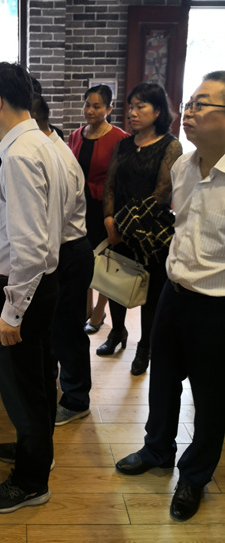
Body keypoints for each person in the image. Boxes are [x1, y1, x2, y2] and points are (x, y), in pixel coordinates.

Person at [115, 70, 225, 521]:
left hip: (216, 305)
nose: (190, 111)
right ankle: (157, 449)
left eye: (203, 104)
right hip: (173, 291)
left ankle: (194, 476)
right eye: (190, 102)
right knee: (162, 380)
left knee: (212, 397)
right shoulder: (183, 167)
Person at [0, 62, 69, 513]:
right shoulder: (43, 143)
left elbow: (29, 247)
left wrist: (11, 312)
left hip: (21, 290)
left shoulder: (18, 155)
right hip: (40, 285)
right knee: (37, 379)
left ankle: (31, 481)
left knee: (23, 387)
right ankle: (36, 450)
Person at [98, 82, 183, 375]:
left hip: (151, 233)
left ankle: (144, 346)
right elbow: (110, 184)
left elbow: (162, 193)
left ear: (158, 111)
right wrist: (109, 219)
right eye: (131, 107)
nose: (132, 113)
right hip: (118, 229)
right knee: (115, 284)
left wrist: (123, 225)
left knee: (150, 293)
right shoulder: (124, 144)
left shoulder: (170, 145)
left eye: (140, 106)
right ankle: (117, 332)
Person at [31, 95, 94, 426]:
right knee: (56, 328)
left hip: (68, 251)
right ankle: (59, 386)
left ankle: (76, 398)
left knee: (68, 331)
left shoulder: (58, 158)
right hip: (62, 249)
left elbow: (53, 223)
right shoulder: (49, 148)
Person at [68, 85, 128, 334]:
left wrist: (113, 216)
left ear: (109, 109)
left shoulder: (120, 138)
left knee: (104, 262)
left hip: (105, 210)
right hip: (79, 208)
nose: (89, 110)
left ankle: (99, 311)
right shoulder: (76, 135)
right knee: (83, 259)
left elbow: (122, 181)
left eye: (97, 106)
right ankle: (86, 307)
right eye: (87, 105)